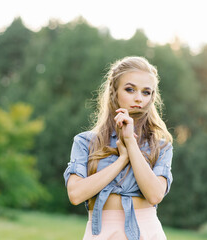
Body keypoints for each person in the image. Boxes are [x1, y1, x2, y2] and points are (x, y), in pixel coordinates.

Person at [63, 56, 173, 240]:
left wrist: (130, 143)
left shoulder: (161, 146)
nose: (138, 98)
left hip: (146, 231)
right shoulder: (85, 142)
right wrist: (121, 160)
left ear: (152, 97)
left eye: (146, 92)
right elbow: (75, 194)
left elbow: (154, 195)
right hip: (101, 232)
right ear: (114, 91)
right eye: (130, 89)